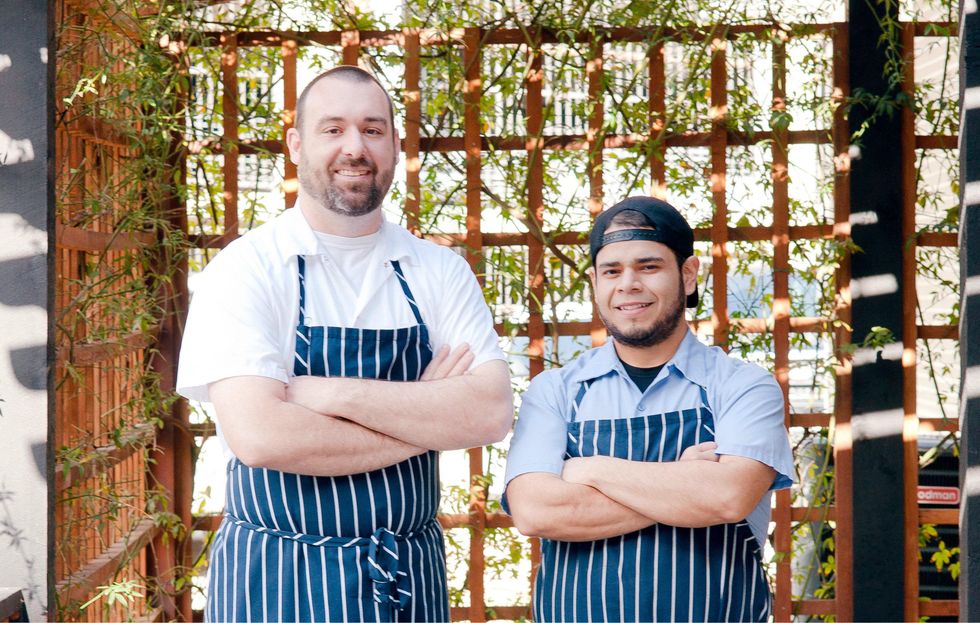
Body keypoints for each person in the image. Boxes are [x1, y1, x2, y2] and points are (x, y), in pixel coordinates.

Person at [176, 65, 513, 622]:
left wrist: (322, 394)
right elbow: (262, 436)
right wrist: (424, 418)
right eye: (333, 129)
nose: (355, 147)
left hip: (405, 579)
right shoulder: (246, 269)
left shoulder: (439, 272)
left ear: (396, 146)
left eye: (373, 129)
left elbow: (489, 412)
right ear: (296, 144)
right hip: (275, 580)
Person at [504, 195, 794, 623]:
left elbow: (727, 497)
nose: (628, 284)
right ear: (596, 283)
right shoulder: (555, 392)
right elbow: (534, 511)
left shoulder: (742, 386)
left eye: (649, 266)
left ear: (689, 274)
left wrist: (587, 470)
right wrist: (685, 483)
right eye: (612, 271)